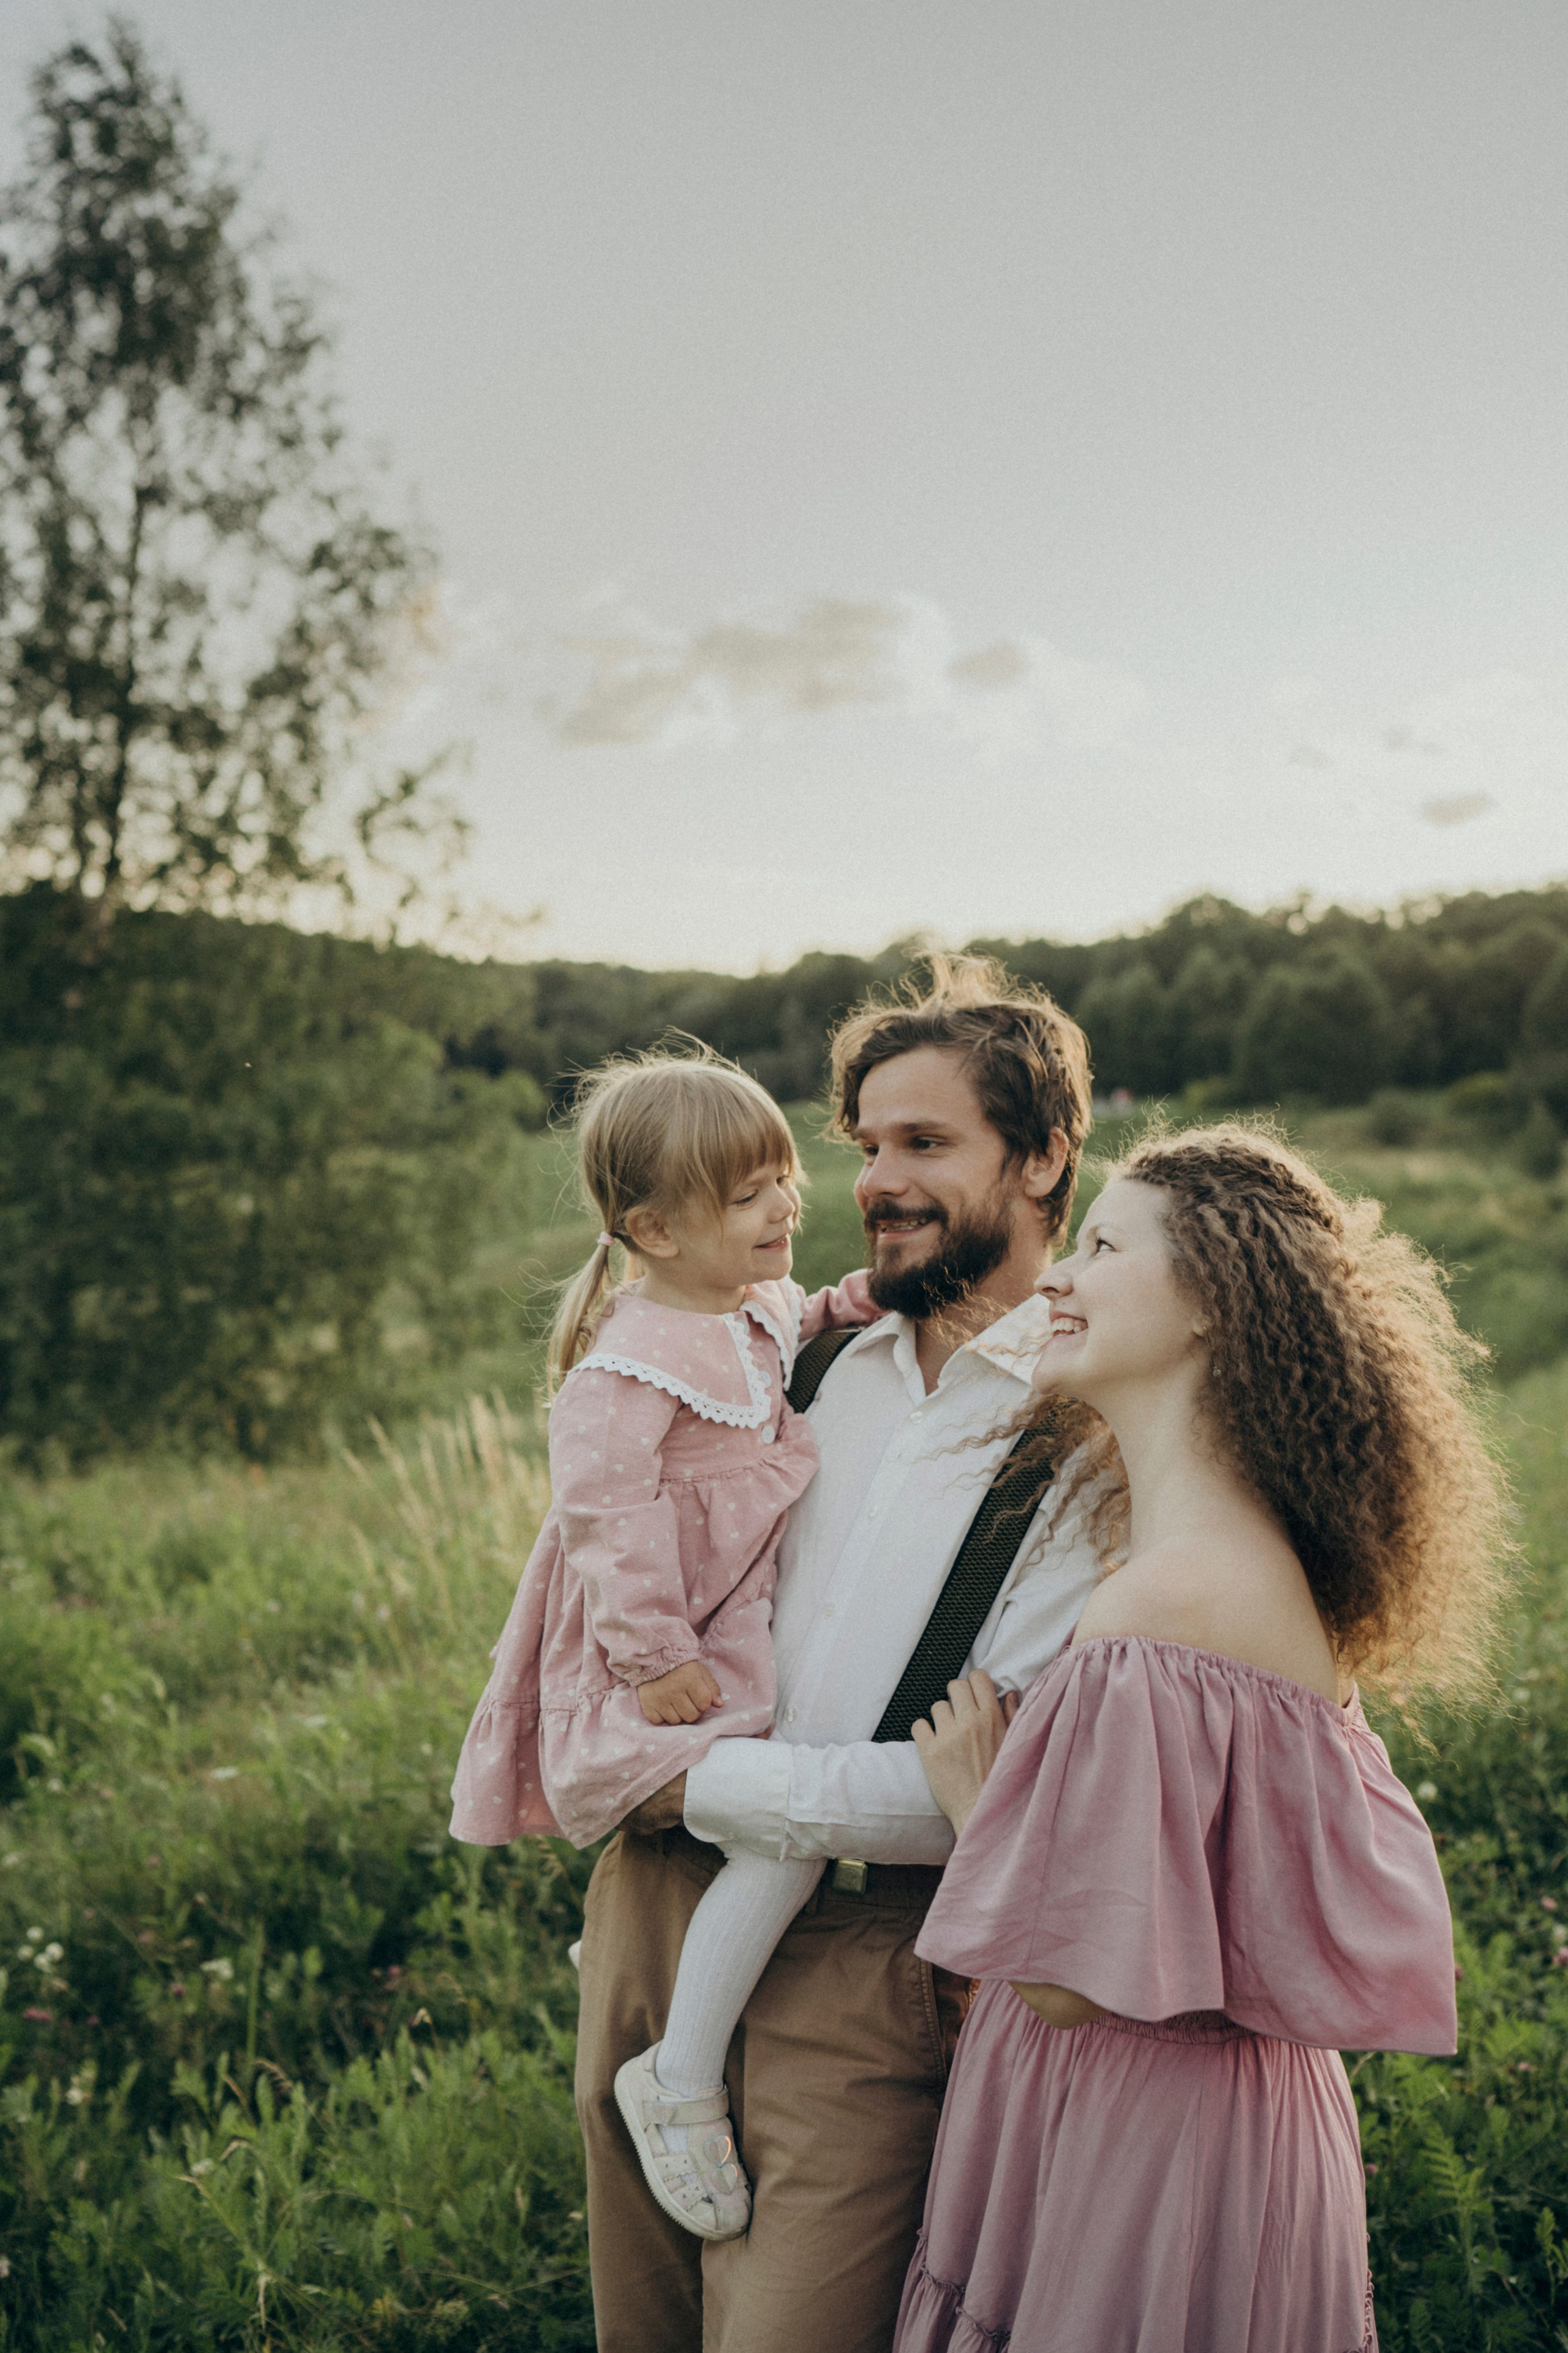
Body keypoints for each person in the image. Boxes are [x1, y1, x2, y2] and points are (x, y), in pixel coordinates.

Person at [897, 1125, 1510, 2353]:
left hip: (1146, 2148)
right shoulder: (1254, 1570)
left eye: (1104, 1244)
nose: (1057, 1276)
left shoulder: (1162, 1604)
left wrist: (978, 1807)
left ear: (1207, 1304)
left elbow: (1070, 1979)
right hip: (1226, 2129)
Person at [574, 957, 1104, 2353]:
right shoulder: (789, 1356)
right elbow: (619, 1567)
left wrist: (693, 1784)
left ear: (1044, 1156)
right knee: (641, 2324)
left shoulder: (1080, 1431)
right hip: (651, 1906)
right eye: (865, 1145)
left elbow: (998, 1777)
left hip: (864, 1955)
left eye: (924, 1143)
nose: (873, 1180)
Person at [449, 1051, 881, 2238]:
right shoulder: (623, 1363)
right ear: (653, 1228)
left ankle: (671, 2018)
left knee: (777, 1824)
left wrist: (844, 1306)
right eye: (748, 1197)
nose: (785, 1207)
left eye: (783, 1180)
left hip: (724, 1635)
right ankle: (676, 2077)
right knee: (784, 1825)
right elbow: (603, 1521)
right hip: (660, 1660)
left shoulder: (744, 1309)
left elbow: (788, 1327)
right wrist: (649, 1657)